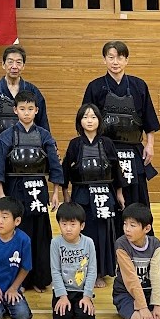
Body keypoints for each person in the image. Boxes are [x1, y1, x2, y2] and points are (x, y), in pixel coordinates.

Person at [0, 90, 63, 292]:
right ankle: (19, 281)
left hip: (38, 189)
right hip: (15, 188)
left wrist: (55, 192)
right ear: (15, 110)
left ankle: (39, 279)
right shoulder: (5, 136)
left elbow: (54, 165)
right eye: (22, 108)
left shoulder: (44, 135)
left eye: (30, 109)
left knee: (40, 235)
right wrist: (0, 193)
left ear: (36, 110)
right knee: (18, 233)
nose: (26, 112)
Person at [82, 40, 160, 214]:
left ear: (126, 60)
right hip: (105, 149)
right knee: (108, 199)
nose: (115, 62)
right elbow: (85, 121)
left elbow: (148, 118)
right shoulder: (95, 87)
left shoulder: (139, 85)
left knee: (136, 196)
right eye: (111, 57)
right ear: (104, 59)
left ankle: (139, 230)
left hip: (133, 149)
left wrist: (150, 144)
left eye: (119, 57)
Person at [0, 45, 50, 229]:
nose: (14, 66)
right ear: (3, 64)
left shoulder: (33, 91)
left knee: (31, 207)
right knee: (0, 207)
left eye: (18, 62)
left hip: (30, 161)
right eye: (10, 62)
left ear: (23, 66)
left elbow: (43, 127)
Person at [61, 103, 125, 287]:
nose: (89, 121)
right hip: (82, 194)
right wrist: (66, 194)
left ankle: (99, 273)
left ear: (99, 120)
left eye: (93, 117)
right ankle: (81, 269)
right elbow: (66, 170)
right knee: (84, 233)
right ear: (79, 121)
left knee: (102, 234)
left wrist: (119, 193)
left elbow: (116, 170)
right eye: (85, 117)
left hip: (104, 194)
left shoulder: (107, 143)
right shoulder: (75, 144)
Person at [112, 203, 160, 319]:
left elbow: (156, 276)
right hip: (126, 293)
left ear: (147, 228)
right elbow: (130, 278)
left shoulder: (155, 244)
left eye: (132, 225)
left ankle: (143, 312)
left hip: (148, 293)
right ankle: (126, 314)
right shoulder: (121, 244)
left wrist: (157, 304)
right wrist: (142, 307)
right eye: (125, 224)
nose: (127, 229)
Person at [50, 202, 97, 319]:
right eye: (64, 224)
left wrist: (87, 296)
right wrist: (62, 296)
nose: (68, 228)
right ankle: (70, 307)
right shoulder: (55, 243)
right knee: (62, 318)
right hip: (63, 290)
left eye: (72, 224)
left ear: (82, 226)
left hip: (81, 291)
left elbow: (92, 271)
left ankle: (78, 307)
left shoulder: (89, 242)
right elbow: (55, 271)